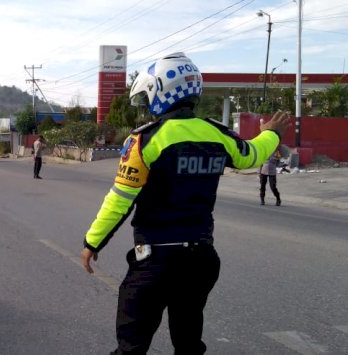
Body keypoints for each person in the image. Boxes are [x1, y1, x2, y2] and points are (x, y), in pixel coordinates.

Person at [80, 53, 291, 354]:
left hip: (155, 262)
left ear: (159, 92)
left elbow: (119, 201)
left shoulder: (145, 141)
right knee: (188, 341)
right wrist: (271, 132)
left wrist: (92, 242)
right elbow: (252, 154)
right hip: (200, 260)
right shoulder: (216, 133)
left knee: (131, 345)